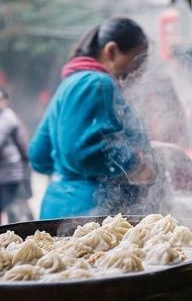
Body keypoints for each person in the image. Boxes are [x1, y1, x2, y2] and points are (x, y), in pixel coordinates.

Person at [29, 17, 158, 219]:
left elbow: (39, 156)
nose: (138, 72)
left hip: (57, 209)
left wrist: (69, 177)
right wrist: (137, 160)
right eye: (137, 60)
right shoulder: (97, 82)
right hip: (90, 216)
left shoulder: (70, 83)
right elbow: (83, 153)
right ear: (111, 51)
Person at [0, 87, 34, 223]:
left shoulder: (8, 117)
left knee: (14, 206)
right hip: (6, 172)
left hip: (12, 172)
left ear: (5, 101)